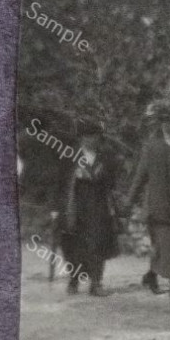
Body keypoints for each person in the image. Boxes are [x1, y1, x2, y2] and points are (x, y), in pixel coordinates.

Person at [127, 101, 170, 303]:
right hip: (158, 206)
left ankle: (151, 276)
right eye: (166, 120)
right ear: (161, 122)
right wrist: (129, 203)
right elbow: (140, 176)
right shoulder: (152, 147)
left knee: (167, 245)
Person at [57, 121, 119, 296]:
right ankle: (73, 281)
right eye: (87, 137)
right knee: (73, 246)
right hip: (75, 207)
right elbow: (60, 183)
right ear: (81, 138)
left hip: (99, 208)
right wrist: (57, 208)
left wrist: (102, 176)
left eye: (94, 137)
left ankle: (96, 283)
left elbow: (112, 182)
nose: (91, 141)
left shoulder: (106, 157)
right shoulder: (69, 156)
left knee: (98, 244)